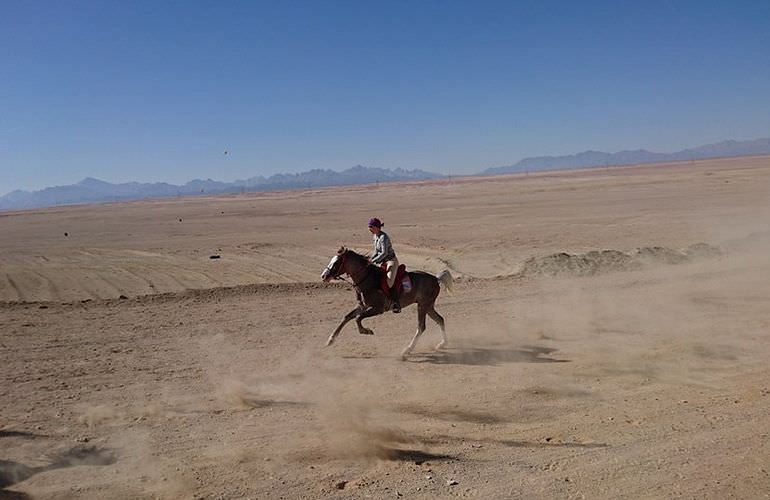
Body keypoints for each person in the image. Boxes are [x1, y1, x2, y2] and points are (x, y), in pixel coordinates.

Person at [368, 217, 400, 313]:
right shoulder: (375, 237)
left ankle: (395, 303)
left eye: (371, 227)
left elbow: (384, 253)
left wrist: (374, 261)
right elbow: (376, 251)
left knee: (389, 282)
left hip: (390, 261)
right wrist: (370, 259)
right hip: (382, 262)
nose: (369, 229)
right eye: (369, 227)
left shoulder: (384, 237)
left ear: (377, 227)